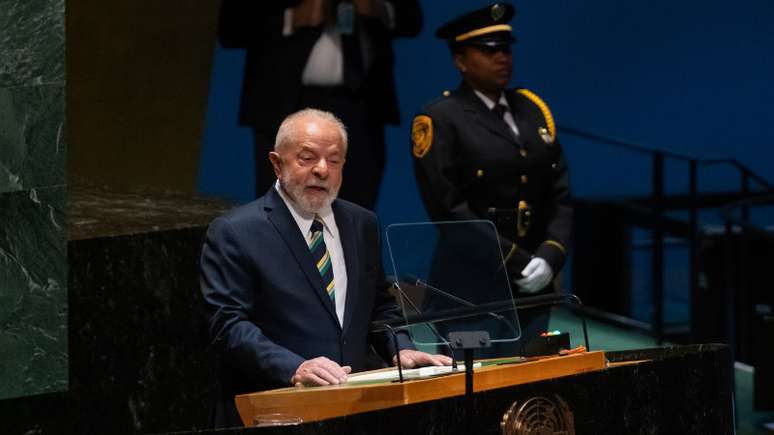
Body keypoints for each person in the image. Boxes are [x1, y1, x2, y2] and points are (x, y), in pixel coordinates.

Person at [201, 108, 451, 428]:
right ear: (277, 164)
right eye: (307, 158)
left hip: (353, 413)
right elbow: (227, 325)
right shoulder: (237, 231)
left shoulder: (362, 223)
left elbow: (378, 306)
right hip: (274, 412)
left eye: (334, 161)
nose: (322, 170)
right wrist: (294, 367)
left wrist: (399, 348)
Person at [411, 3, 572, 345]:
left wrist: (551, 254)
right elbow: (448, 209)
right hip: (472, 285)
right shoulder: (441, 118)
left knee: (533, 388)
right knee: (474, 390)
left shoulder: (532, 109)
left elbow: (560, 193)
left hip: (534, 282)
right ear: (460, 61)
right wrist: (515, 259)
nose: (502, 58)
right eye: (488, 51)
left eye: (505, 49)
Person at [218, 0, 422, 210]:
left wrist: (376, 9)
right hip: (286, 104)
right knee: (283, 212)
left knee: (354, 212)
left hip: (361, 109)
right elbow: (231, 30)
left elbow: (412, 20)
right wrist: (292, 18)